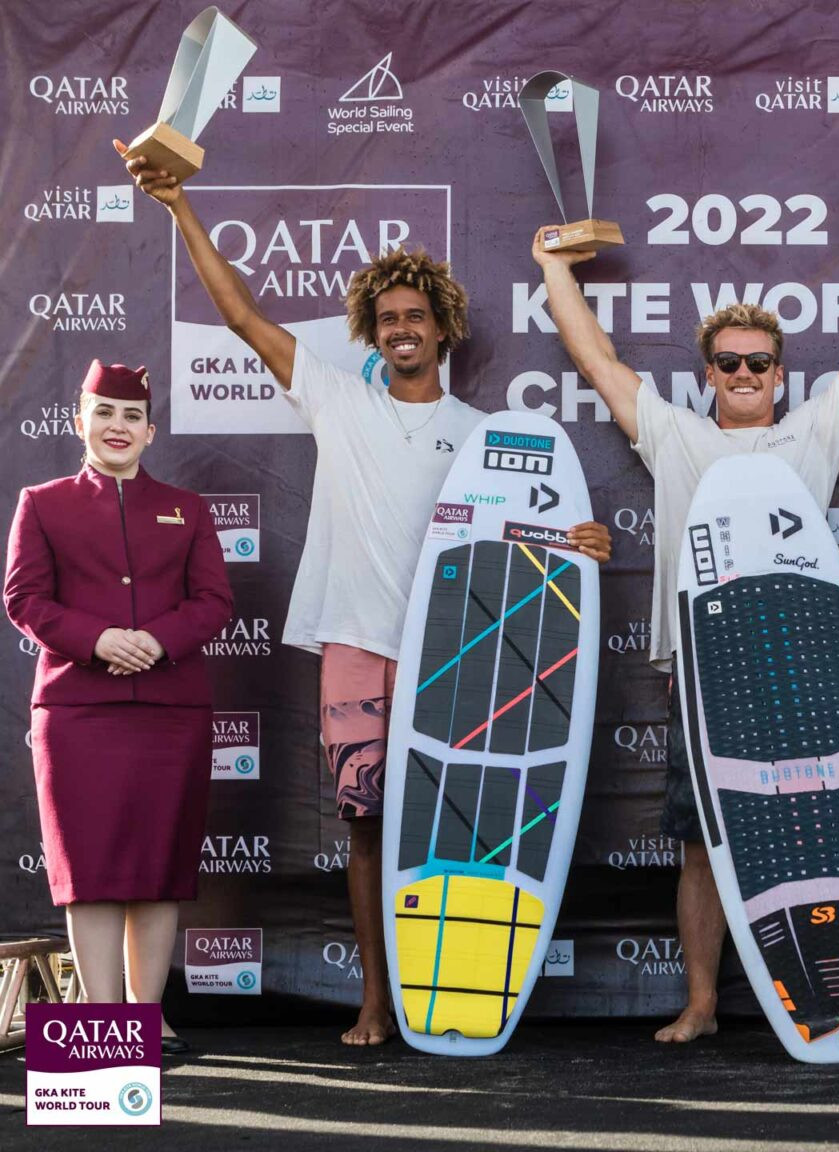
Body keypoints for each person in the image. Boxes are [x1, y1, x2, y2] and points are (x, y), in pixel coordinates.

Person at [120, 142, 612, 1045]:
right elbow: (239, 315)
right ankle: (377, 1003)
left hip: (450, 652)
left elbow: (526, 536)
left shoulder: (481, 435)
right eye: (386, 317)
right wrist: (180, 208)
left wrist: (581, 540)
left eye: (415, 314)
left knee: (460, 829)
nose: (400, 328)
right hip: (356, 640)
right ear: (369, 328)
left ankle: (450, 995)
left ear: (443, 326)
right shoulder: (338, 401)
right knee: (367, 828)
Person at [534, 205, 839, 1042]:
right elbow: (594, 356)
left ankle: (835, 996)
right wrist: (557, 271)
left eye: (759, 362)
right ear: (707, 374)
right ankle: (704, 1004)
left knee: (823, 834)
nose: (744, 373)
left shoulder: (814, 432)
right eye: (728, 362)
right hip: (707, 675)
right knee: (703, 842)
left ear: (781, 373)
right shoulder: (673, 437)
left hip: (810, 668)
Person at [5, 361, 233, 1054]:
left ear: (150, 431)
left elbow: (215, 603)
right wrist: (98, 640)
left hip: (170, 714)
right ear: (80, 421)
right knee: (93, 874)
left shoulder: (187, 508)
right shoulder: (41, 502)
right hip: (78, 714)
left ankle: (148, 1014)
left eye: (131, 416)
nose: (117, 426)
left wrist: (155, 643)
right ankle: (102, 1025)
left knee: (159, 870)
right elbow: (23, 600)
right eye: (104, 412)